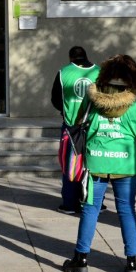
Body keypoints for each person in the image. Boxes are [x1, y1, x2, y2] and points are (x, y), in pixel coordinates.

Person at [61, 54, 136, 272]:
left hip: (96, 161)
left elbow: (79, 123)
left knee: (90, 208)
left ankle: (81, 259)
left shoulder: (92, 99)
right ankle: (132, 263)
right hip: (127, 162)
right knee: (127, 209)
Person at [51, 46, 100, 214]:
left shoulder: (64, 72)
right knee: (93, 163)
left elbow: (56, 99)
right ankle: (94, 200)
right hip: (94, 125)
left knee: (71, 164)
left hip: (71, 126)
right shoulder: (99, 72)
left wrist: (65, 110)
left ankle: (70, 203)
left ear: (71, 58)